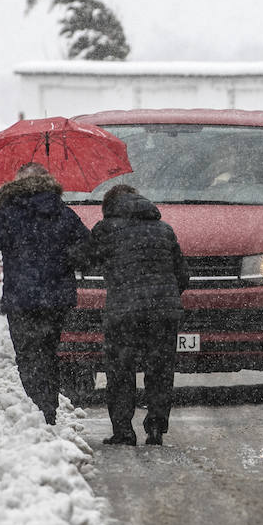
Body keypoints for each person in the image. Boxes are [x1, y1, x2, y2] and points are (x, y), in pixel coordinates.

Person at [0, 162, 87, 424]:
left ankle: (39, 409)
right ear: (47, 182)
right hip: (56, 298)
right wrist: (66, 259)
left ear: (16, 184)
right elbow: (88, 251)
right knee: (48, 352)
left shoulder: (8, 214)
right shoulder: (63, 213)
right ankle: (47, 409)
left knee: (28, 356)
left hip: (21, 298)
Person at [73, 183, 190, 446]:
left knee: (120, 371)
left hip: (124, 313)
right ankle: (156, 427)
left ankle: (124, 431)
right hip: (164, 311)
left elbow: (83, 260)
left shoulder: (107, 229)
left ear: (110, 207)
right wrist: (165, 296)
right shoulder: (164, 229)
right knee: (159, 370)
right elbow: (183, 275)